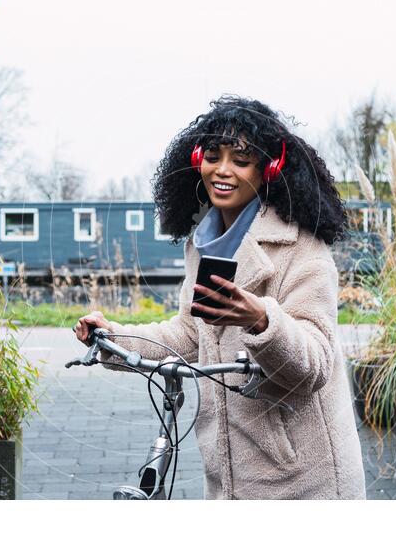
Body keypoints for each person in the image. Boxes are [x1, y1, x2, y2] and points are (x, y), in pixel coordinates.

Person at [75, 95, 366, 500]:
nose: (223, 170)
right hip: (229, 471)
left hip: (301, 478)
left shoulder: (302, 248)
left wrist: (261, 320)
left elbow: (316, 365)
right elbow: (190, 333)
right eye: (213, 156)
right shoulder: (203, 244)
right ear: (198, 160)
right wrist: (114, 336)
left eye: (241, 160)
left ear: (269, 170)